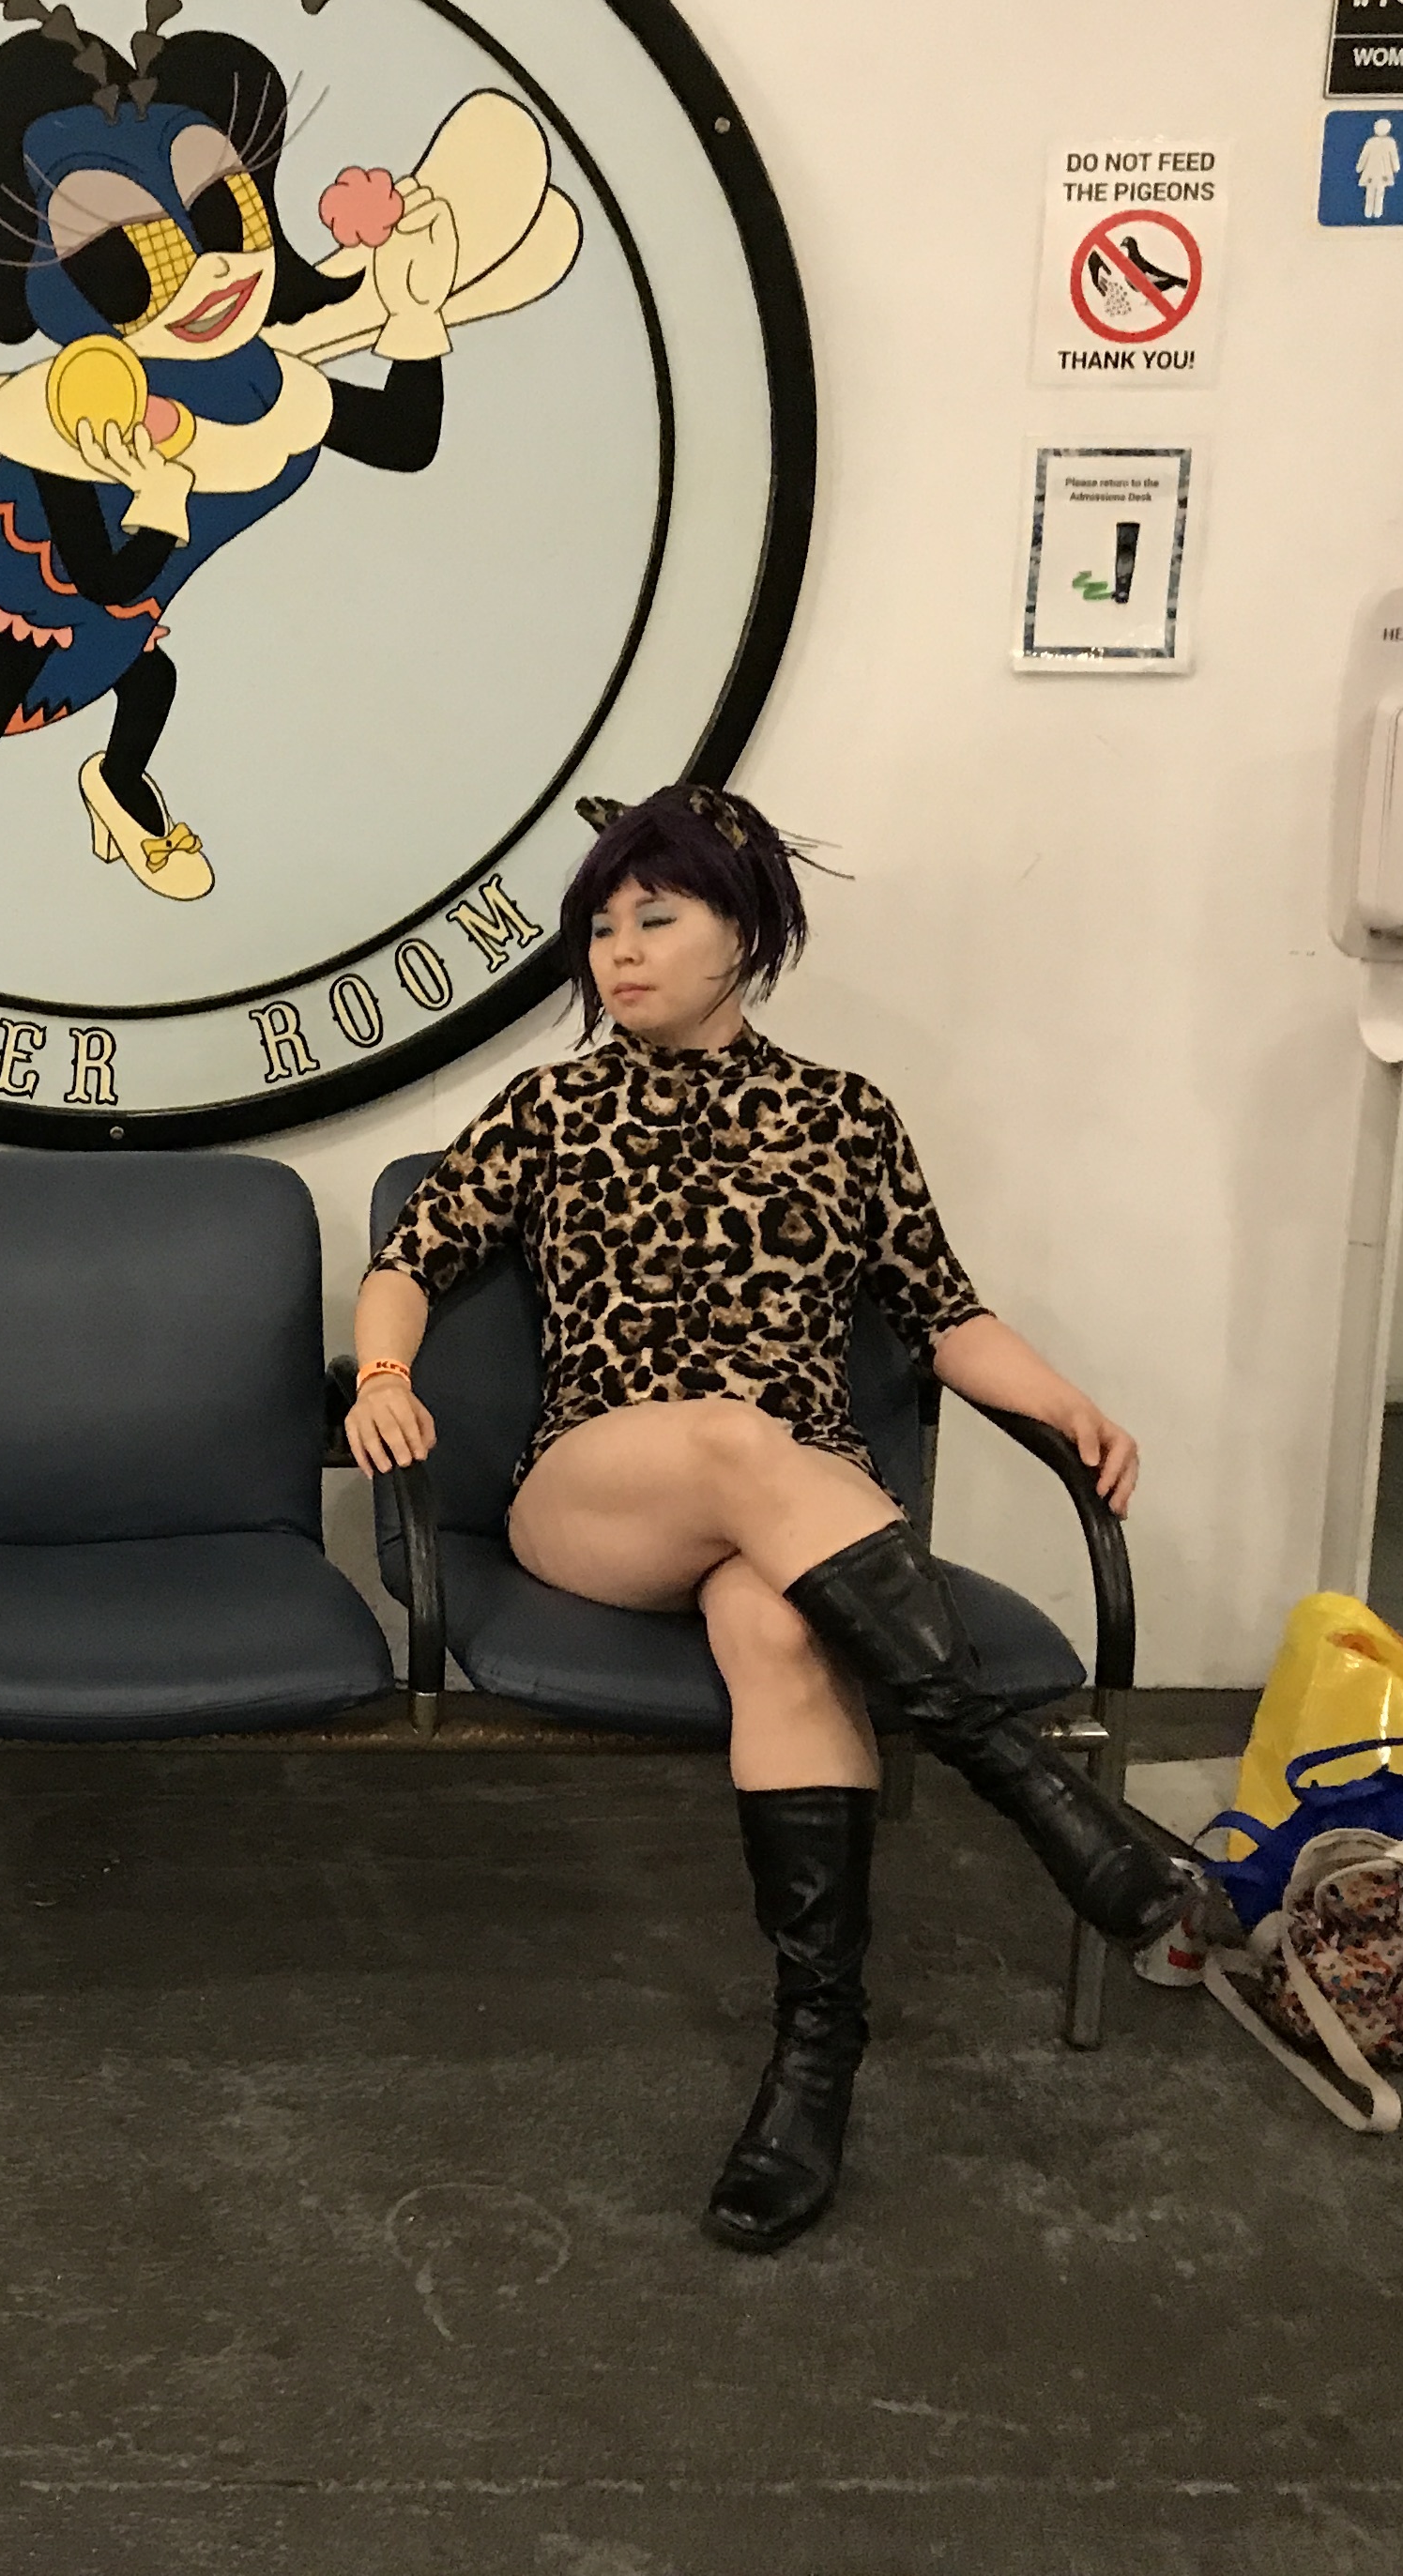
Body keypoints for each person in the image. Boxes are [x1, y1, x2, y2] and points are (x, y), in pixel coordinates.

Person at [346, 784, 1220, 2254]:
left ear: (745, 935)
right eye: (600, 928)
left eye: (655, 918)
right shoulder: (554, 1109)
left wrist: (1068, 1401)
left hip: (797, 1518)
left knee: (776, 1623)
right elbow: (407, 1262)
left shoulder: (845, 1117)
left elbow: (943, 1313)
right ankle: (1018, 1775)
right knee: (735, 1437)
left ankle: (815, 2063)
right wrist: (383, 1374)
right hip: (599, 1495)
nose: (619, 952)